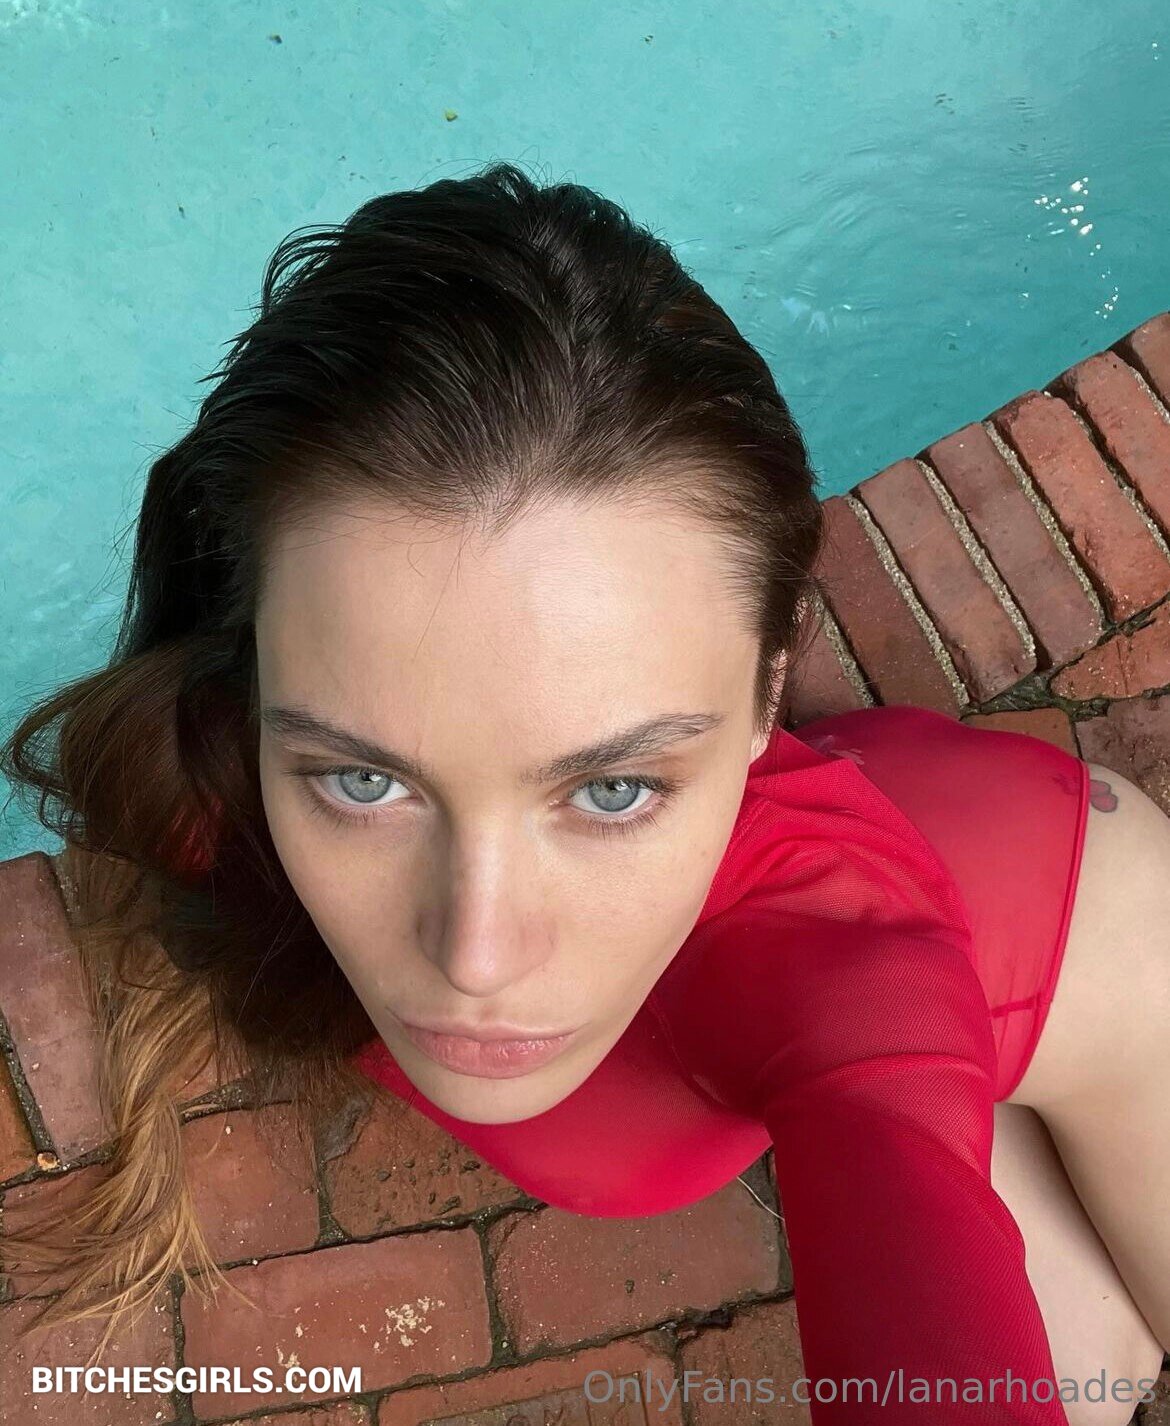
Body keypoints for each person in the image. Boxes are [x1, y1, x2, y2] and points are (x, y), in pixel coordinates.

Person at [2, 162, 1167, 1424]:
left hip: (1080, 950)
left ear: (768, 690)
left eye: (613, 786)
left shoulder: (847, 971)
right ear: (254, 678)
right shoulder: (208, 781)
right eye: (363, 778)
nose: (477, 955)